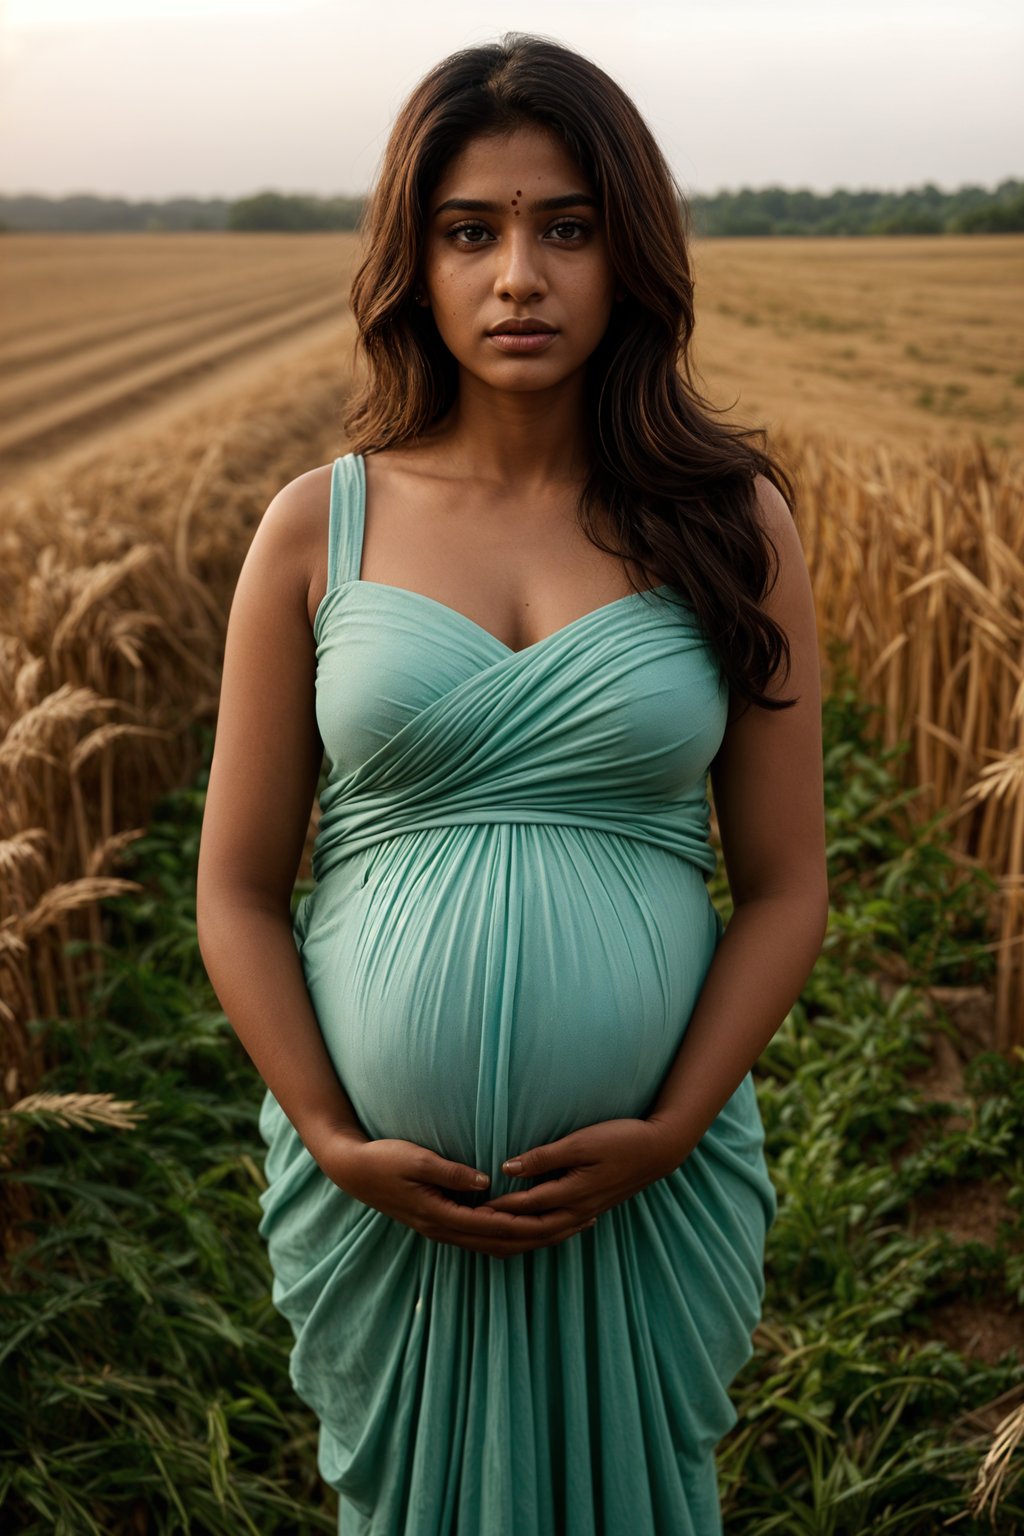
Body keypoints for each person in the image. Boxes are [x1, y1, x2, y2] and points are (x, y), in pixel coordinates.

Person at [196, 30, 828, 1536]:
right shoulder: (316, 528)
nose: (519, 277)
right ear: (414, 261)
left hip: (648, 1192)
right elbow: (232, 888)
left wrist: (671, 1128)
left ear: (633, 254)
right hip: (381, 1204)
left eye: (567, 228)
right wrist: (337, 1140)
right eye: (470, 233)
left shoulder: (729, 523)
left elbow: (790, 884)